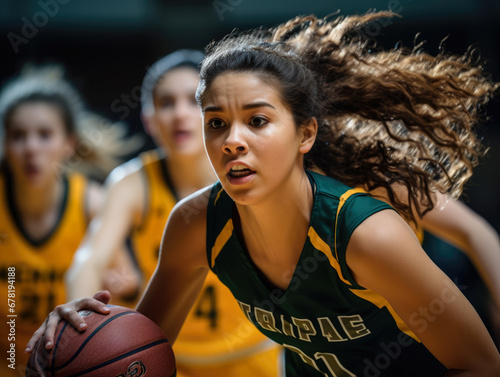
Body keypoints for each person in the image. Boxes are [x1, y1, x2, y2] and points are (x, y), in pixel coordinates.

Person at [27, 11, 500, 376]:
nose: (232, 139)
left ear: (305, 134)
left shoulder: (366, 234)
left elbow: (482, 364)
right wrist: (75, 336)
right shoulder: (196, 224)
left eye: (257, 120)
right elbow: (139, 352)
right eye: (216, 123)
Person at [64, 50, 281, 377]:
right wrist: (79, 319)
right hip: (165, 356)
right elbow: (90, 260)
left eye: (192, 102)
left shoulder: (250, 174)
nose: (180, 114)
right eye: (166, 103)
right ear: (150, 120)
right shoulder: (132, 183)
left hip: (253, 355)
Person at [0, 65, 136, 376]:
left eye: (44, 135)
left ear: (69, 143)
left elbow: (131, 289)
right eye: (18, 136)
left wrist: (122, 287)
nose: (32, 148)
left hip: (64, 363)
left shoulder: (92, 202)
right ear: (5, 145)